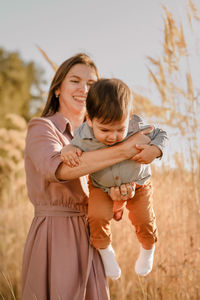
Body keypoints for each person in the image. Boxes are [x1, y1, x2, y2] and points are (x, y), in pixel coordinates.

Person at [22, 53, 152, 300]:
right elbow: (60, 169)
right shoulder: (42, 127)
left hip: (93, 237)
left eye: (91, 84)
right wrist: (124, 150)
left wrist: (120, 195)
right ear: (58, 88)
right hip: (55, 234)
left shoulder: (100, 140)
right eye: (75, 81)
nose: (84, 89)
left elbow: (102, 195)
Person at [61, 78, 168, 280]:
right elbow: (73, 147)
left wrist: (155, 150)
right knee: (96, 216)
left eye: (120, 129)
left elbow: (161, 134)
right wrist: (69, 149)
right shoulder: (83, 134)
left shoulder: (137, 124)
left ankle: (147, 248)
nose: (113, 136)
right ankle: (105, 250)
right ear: (90, 120)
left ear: (128, 118)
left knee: (143, 218)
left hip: (139, 183)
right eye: (105, 130)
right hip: (101, 187)